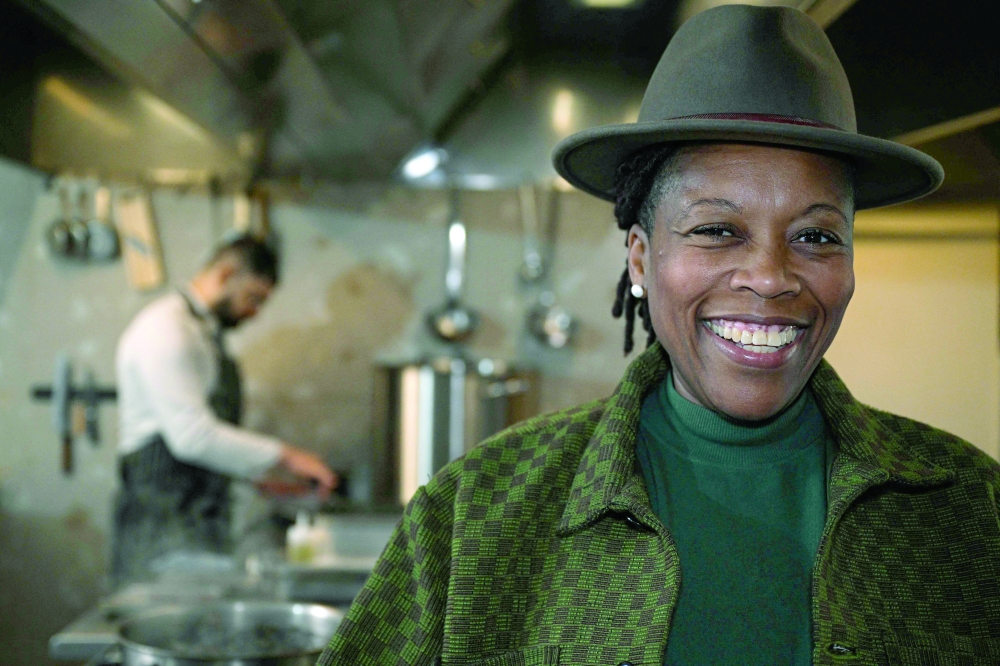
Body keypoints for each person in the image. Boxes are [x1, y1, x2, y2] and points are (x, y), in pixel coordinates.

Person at [319, 6, 1000, 666]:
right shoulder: (471, 517)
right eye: (716, 230)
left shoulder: (969, 511)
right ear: (641, 257)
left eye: (816, 236)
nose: (768, 277)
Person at [112, 236, 336, 585]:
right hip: (159, 527)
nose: (255, 313)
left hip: (198, 523)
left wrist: (260, 478)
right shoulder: (166, 329)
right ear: (227, 273)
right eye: (253, 298)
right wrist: (286, 456)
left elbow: (203, 442)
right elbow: (191, 438)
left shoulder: (201, 333)